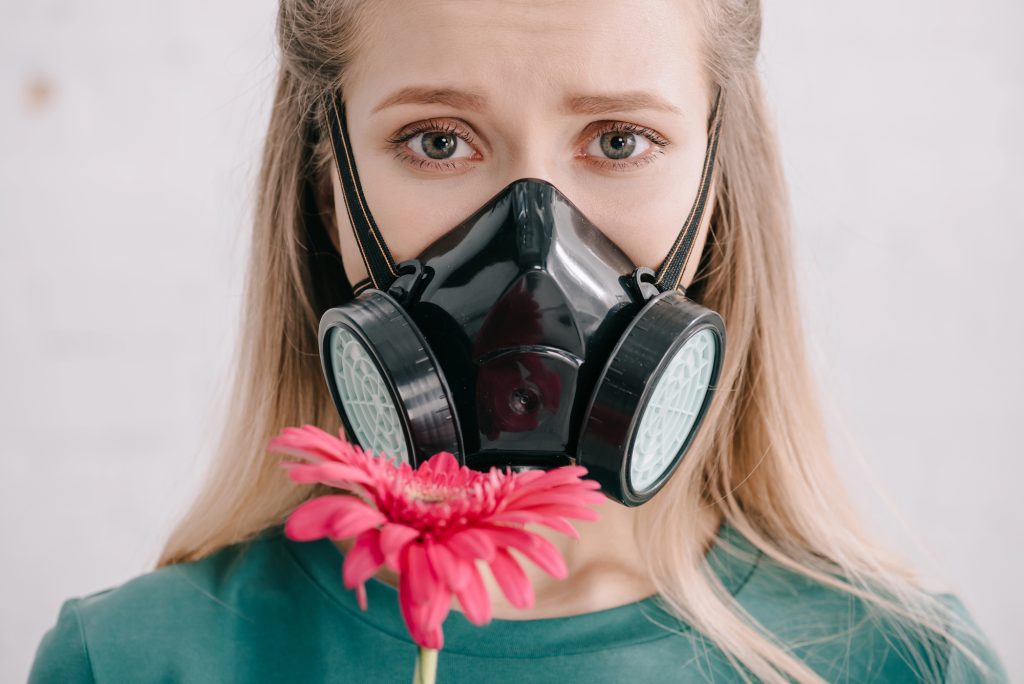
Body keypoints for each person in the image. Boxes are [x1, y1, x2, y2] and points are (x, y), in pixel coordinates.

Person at [27, 0, 1009, 682]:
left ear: (718, 183)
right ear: (329, 186)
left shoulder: (904, 664)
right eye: (438, 140)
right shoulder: (134, 664)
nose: (533, 244)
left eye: (618, 141)